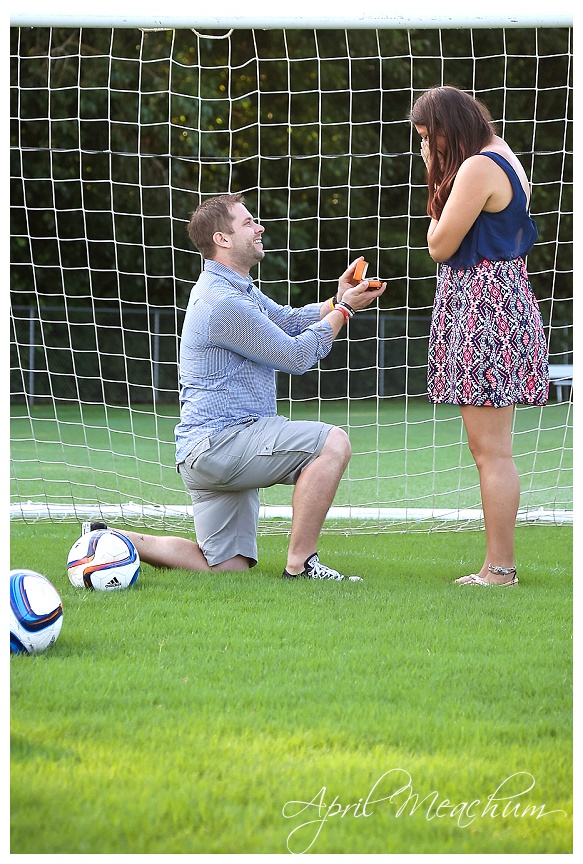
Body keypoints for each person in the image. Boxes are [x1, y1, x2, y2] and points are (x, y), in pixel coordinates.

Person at [85, 192, 386, 581]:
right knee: (332, 444)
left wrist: (337, 299)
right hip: (222, 444)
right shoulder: (223, 302)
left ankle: (110, 538)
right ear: (222, 240)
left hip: (206, 451)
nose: (259, 227)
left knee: (227, 566)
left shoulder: (236, 289)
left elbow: (289, 321)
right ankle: (302, 565)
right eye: (248, 223)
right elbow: (295, 356)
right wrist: (345, 311)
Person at [409, 85, 549, 587]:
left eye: (430, 138)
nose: (428, 148)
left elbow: (439, 244)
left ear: (450, 128)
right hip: (498, 307)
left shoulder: (475, 168)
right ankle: (499, 565)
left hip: (484, 314)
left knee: (490, 451)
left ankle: (501, 570)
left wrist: (433, 179)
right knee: (492, 450)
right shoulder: (501, 153)